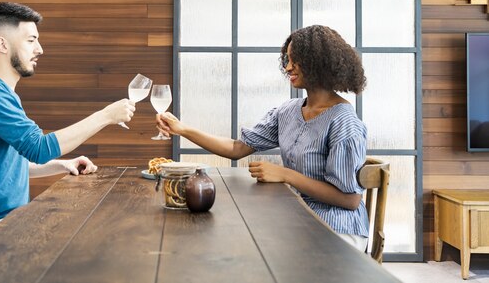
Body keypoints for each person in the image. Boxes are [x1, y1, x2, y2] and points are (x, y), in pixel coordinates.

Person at [157, 25, 369, 251]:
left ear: (318, 61)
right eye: (286, 59)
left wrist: (285, 175)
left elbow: (349, 200)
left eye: (295, 60)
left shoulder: (344, 121)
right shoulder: (288, 111)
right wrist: (182, 129)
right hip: (300, 219)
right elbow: (237, 148)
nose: (287, 67)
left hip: (339, 229)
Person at [0, 2, 135, 252]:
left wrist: (61, 165)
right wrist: (105, 116)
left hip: (9, 223)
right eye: (31, 40)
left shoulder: (3, 95)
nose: (39, 49)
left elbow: (11, 167)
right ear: (3, 44)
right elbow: (38, 147)